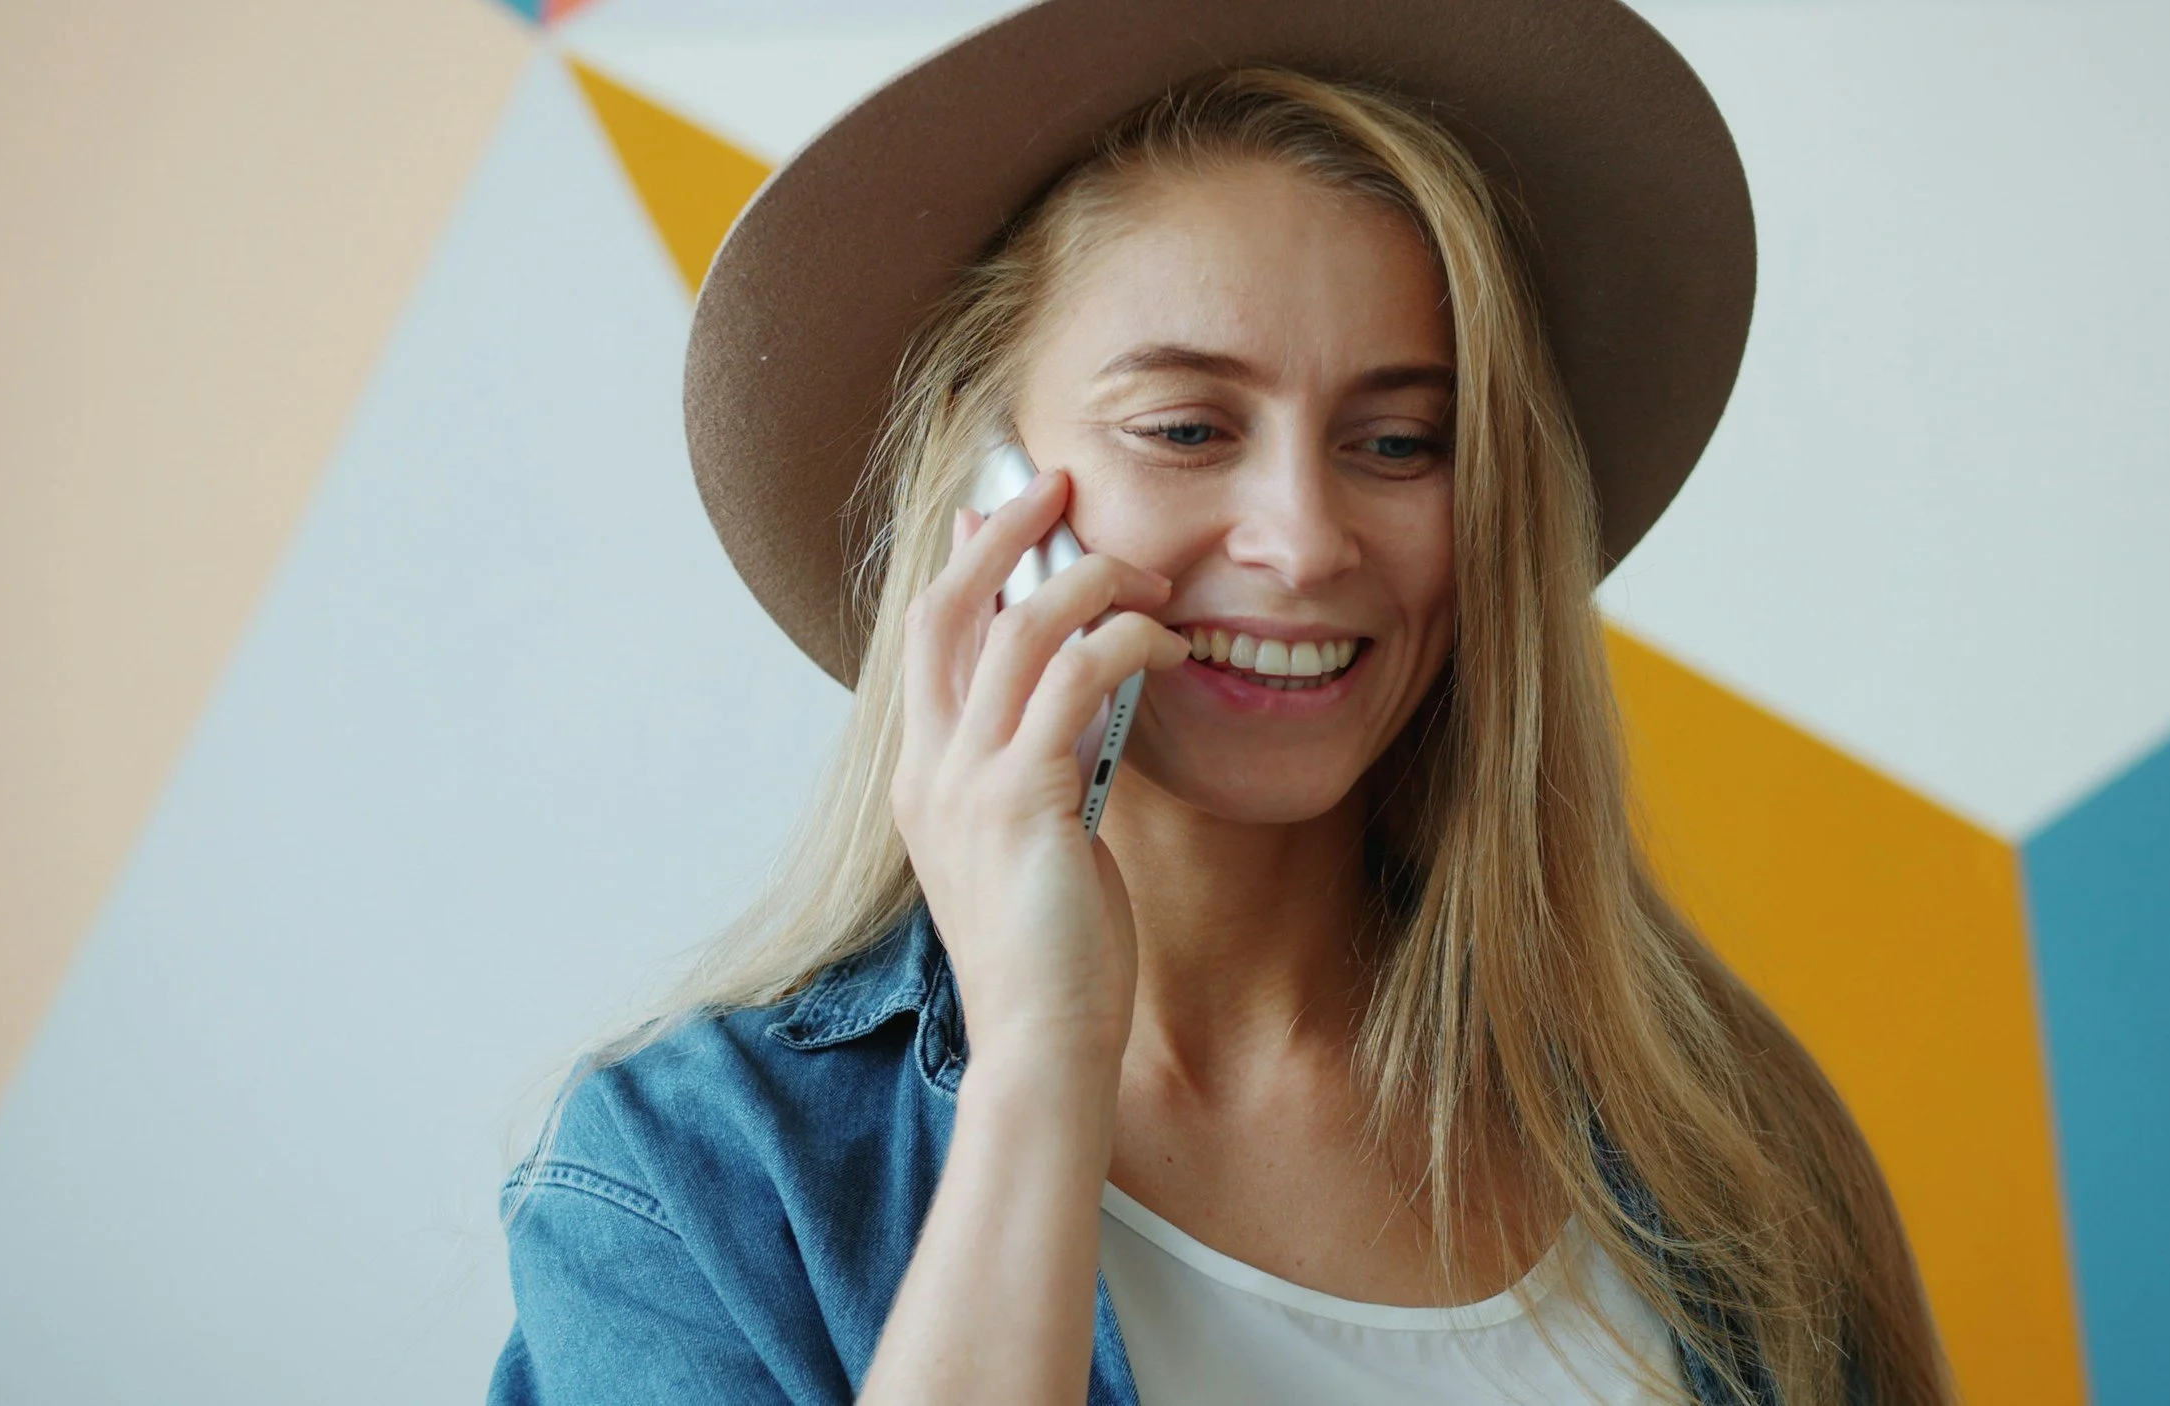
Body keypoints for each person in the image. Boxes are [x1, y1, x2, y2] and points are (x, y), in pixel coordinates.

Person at [491, 3, 1947, 1403]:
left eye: (1398, 441)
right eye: (1186, 428)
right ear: (990, 495)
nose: (1305, 541)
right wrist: (1042, 1060)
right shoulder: (688, 1187)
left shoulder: (1717, 1135)